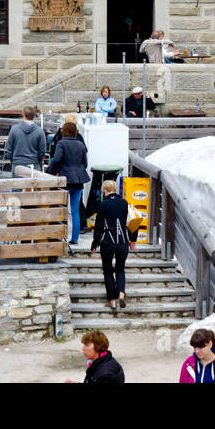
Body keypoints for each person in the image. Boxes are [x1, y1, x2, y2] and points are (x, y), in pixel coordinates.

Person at [90, 179, 132, 312]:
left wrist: (94, 244)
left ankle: (112, 301)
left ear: (105, 191)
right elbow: (133, 221)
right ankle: (121, 293)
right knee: (120, 269)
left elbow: (98, 226)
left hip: (107, 242)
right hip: (122, 242)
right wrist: (133, 240)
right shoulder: (125, 203)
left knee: (108, 271)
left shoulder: (103, 204)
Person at [49, 121, 90, 245]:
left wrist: (54, 171)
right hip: (78, 180)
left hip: (65, 179)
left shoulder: (61, 143)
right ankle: (75, 239)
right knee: (75, 211)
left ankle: (61, 236)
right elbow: (85, 163)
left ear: (64, 131)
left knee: (62, 210)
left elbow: (56, 159)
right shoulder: (81, 145)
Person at [4, 106, 46, 173]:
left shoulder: (14, 129)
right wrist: (37, 161)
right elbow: (42, 151)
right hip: (34, 166)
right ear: (33, 115)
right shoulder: (40, 131)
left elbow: (9, 149)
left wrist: (14, 160)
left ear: (23, 114)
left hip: (17, 165)